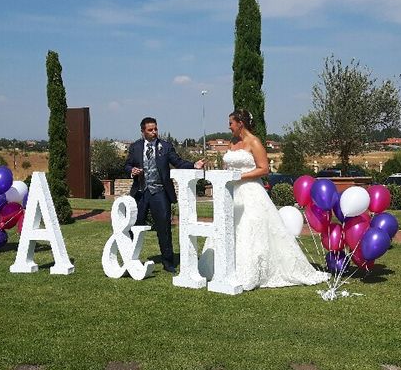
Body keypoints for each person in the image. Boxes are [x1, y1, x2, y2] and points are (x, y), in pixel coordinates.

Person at [213, 109, 329, 290]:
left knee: (251, 229)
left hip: (251, 192)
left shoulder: (254, 142)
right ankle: (225, 268)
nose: (229, 126)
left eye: (231, 123)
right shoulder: (232, 142)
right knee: (230, 228)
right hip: (232, 194)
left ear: (240, 124)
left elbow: (264, 169)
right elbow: (227, 165)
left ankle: (252, 271)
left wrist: (239, 176)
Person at [125, 117, 204, 273]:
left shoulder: (166, 147)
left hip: (160, 193)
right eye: (150, 130)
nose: (154, 132)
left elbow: (178, 162)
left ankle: (168, 263)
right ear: (142, 131)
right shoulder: (135, 147)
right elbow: (127, 164)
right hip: (140, 192)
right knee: (134, 227)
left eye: (155, 129)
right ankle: (130, 261)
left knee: (164, 228)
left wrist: (194, 165)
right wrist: (131, 170)